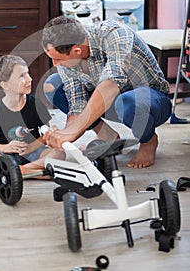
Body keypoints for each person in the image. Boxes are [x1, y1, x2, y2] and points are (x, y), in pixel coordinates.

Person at [41, 16, 172, 169]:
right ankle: (108, 136)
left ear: (77, 50)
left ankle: (148, 140)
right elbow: (76, 101)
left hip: (149, 102)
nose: (55, 64)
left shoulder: (114, 33)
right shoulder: (68, 52)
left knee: (127, 102)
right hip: (112, 104)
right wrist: (67, 132)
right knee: (53, 85)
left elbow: (110, 85)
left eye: (57, 59)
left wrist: (76, 129)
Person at [0, 54, 65, 183]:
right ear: (5, 85)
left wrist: (32, 146)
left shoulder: (36, 104)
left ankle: (13, 173)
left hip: (34, 152)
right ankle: (39, 173)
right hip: (8, 156)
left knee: (59, 154)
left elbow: (45, 134)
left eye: (28, 73)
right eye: (22, 76)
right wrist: (7, 148)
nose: (29, 79)